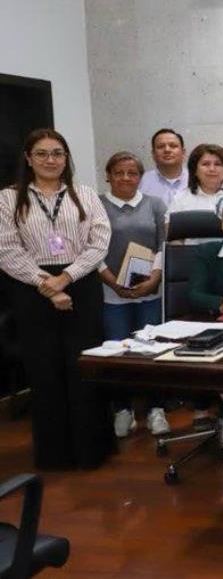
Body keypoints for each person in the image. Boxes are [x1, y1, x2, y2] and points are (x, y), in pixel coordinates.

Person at [0, 128, 114, 469]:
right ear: (28, 158)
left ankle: (92, 450)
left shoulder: (85, 194)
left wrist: (66, 277)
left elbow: (99, 242)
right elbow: (6, 249)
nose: (50, 160)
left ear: (66, 159)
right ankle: (55, 454)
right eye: (42, 153)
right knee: (45, 370)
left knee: (84, 367)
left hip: (81, 285)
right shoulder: (8, 198)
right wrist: (47, 284)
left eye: (57, 153)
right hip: (31, 289)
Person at [97, 151, 169, 437]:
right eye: (119, 173)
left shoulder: (155, 204)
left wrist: (155, 278)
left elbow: (164, 244)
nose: (126, 178)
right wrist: (113, 282)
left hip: (150, 291)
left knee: (151, 351)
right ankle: (123, 410)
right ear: (108, 176)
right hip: (111, 292)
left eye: (132, 173)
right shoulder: (97, 205)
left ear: (140, 176)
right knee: (116, 352)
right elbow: (91, 248)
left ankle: (155, 409)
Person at [167, 143, 223, 222]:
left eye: (218, 164)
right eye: (205, 164)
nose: (212, 169)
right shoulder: (180, 199)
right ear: (194, 170)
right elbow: (170, 228)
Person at [140, 128, 188, 206]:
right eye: (161, 146)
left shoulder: (197, 180)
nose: (167, 150)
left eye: (173, 146)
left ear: (183, 152)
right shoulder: (141, 182)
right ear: (153, 154)